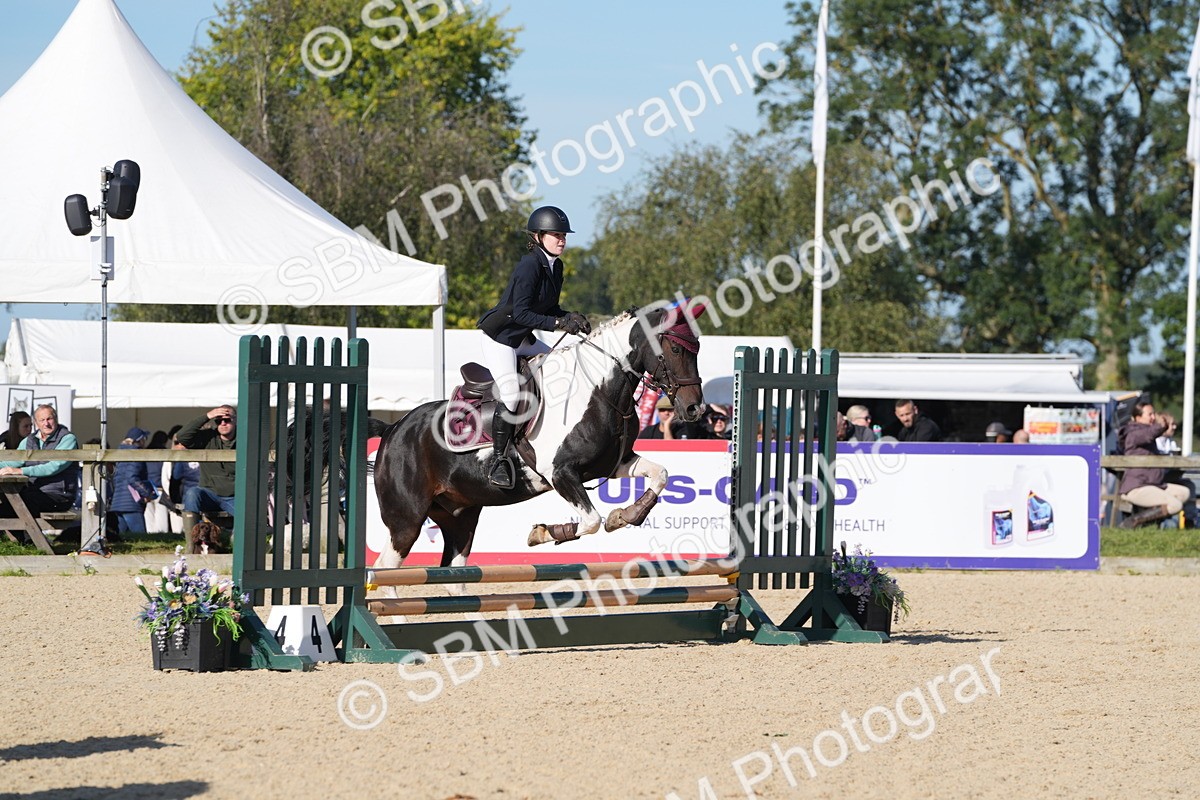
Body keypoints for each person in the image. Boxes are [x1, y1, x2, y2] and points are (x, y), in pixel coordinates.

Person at [476, 205, 591, 488]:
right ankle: (498, 460)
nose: (562, 239)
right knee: (512, 395)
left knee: (559, 365)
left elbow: (549, 307)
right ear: (538, 236)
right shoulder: (529, 265)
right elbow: (521, 313)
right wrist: (559, 324)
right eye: (556, 234)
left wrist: (569, 316)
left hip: (522, 338)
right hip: (501, 338)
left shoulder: (556, 265)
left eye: (564, 235)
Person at [0, 404, 79, 529]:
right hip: (34, 492)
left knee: (21, 502)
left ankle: (32, 542)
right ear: (36, 423)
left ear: (56, 419)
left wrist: (21, 471)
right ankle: (19, 543)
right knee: (7, 504)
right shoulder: (30, 440)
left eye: (49, 419)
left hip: (59, 496)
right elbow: (15, 461)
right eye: (42, 420)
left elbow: (54, 467)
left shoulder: (67, 439)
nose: (46, 423)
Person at [1117, 401, 1191, 528]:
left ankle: (1150, 523)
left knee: (1184, 492)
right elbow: (1148, 436)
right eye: (1149, 414)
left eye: (1153, 414)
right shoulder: (1132, 433)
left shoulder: (1146, 432)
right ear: (1138, 418)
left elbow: (1149, 435)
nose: (1153, 417)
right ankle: (1133, 521)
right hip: (1137, 486)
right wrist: (1161, 426)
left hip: (1153, 484)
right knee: (1175, 505)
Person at [175, 404, 237, 534]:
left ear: (235, 420)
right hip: (209, 493)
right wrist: (208, 416)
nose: (223, 423)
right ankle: (192, 545)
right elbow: (182, 436)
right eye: (219, 421)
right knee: (192, 493)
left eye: (227, 420)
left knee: (248, 515)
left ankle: (238, 546)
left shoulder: (244, 438)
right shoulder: (208, 437)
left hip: (235, 496)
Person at [109, 427, 159, 535]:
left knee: (120, 538)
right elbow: (132, 478)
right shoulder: (136, 454)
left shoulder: (119, 453)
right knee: (141, 537)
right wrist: (147, 493)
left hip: (118, 501)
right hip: (131, 503)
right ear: (140, 440)